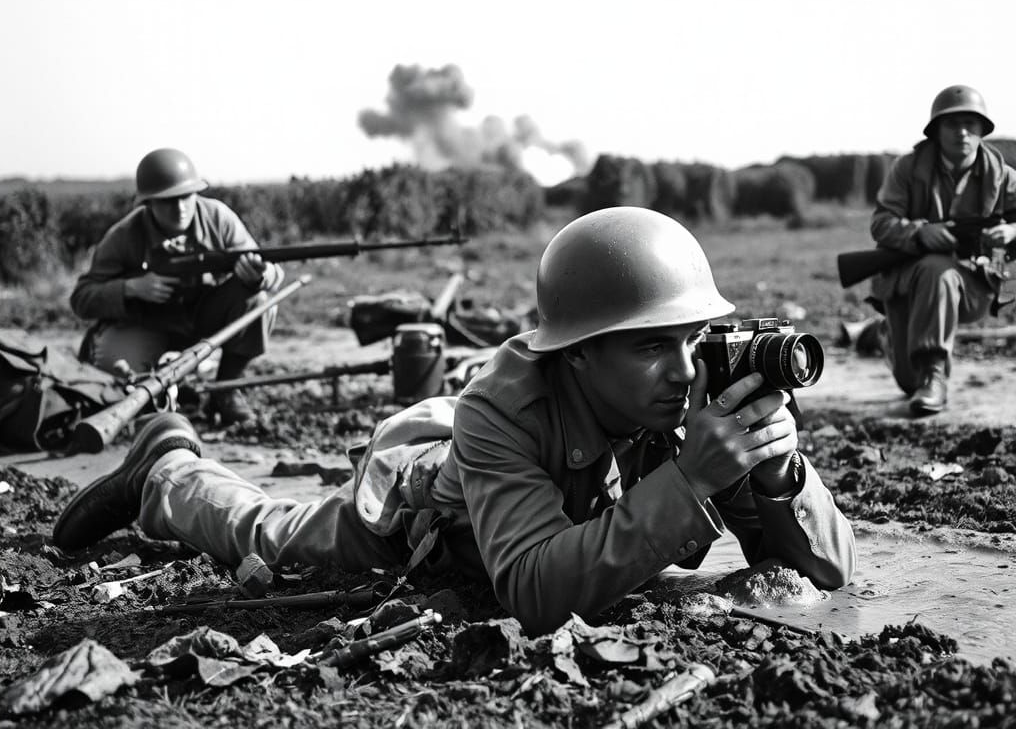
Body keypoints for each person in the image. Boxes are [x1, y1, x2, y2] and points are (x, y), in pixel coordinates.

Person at [54, 207, 855, 636]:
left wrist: (779, 476)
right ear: (576, 354)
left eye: (691, 340)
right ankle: (167, 471)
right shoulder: (505, 409)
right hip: (427, 502)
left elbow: (827, 574)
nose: (684, 370)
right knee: (276, 536)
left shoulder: (690, 394)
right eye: (651, 347)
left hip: (526, 490)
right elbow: (536, 594)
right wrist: (689, 482)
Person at [70, 148, 284, 425]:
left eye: (186, 196)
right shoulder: (124, 236)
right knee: (122, 385)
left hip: (204, 317)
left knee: (259, 300)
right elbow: (81, 298)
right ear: (148, 203)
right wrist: (131, 288)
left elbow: (269, 270)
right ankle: (157, 392)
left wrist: (260, 275)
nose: (181, 208)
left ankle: (227, 390)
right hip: (147, 323)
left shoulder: (218, 218)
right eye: (169, 201)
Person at [867, 85, 1016, 416]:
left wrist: (1011, 230)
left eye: (970, 124)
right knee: (908, 382)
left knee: (940, 271)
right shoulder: (908, 168)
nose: (962, 132)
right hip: (907, 280)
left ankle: (934, 375)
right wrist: (920, 232)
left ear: (982, 130)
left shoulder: (1002, 175)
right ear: (936, 130)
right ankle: (883, 336)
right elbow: (881, 224)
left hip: (973, 285)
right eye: (952, 124)